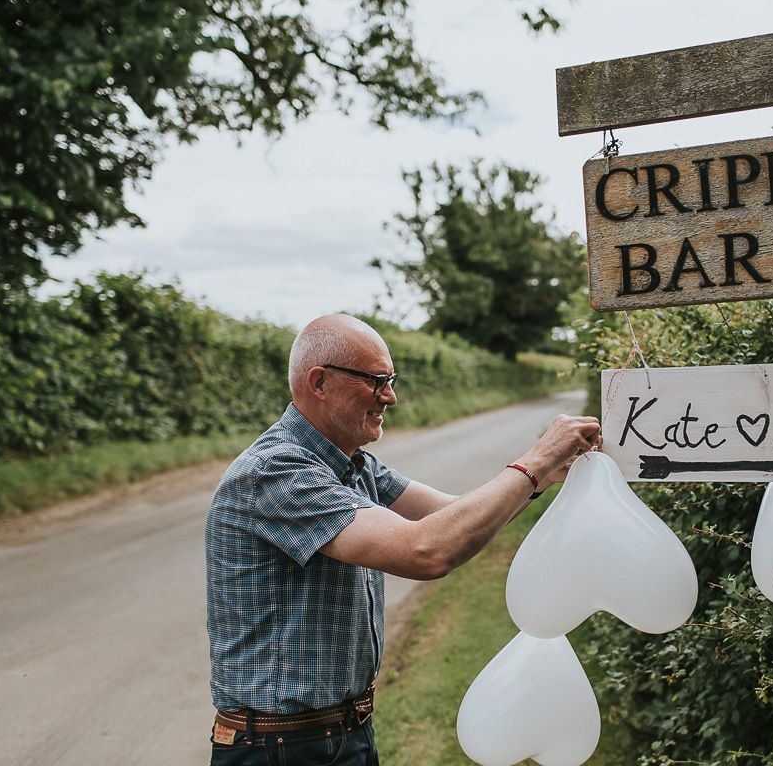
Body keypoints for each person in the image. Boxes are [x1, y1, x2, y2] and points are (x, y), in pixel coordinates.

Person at [205, 313, 601, 766]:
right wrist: (536, 458)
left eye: (390, 380)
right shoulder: (276, 472)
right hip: (283, 748)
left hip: (341, 733)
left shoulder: (355, 466)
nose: (390, 397)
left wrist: (543, 476)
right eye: (377, 382)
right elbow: (426, 551)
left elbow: (452, 516)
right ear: (320, 382)